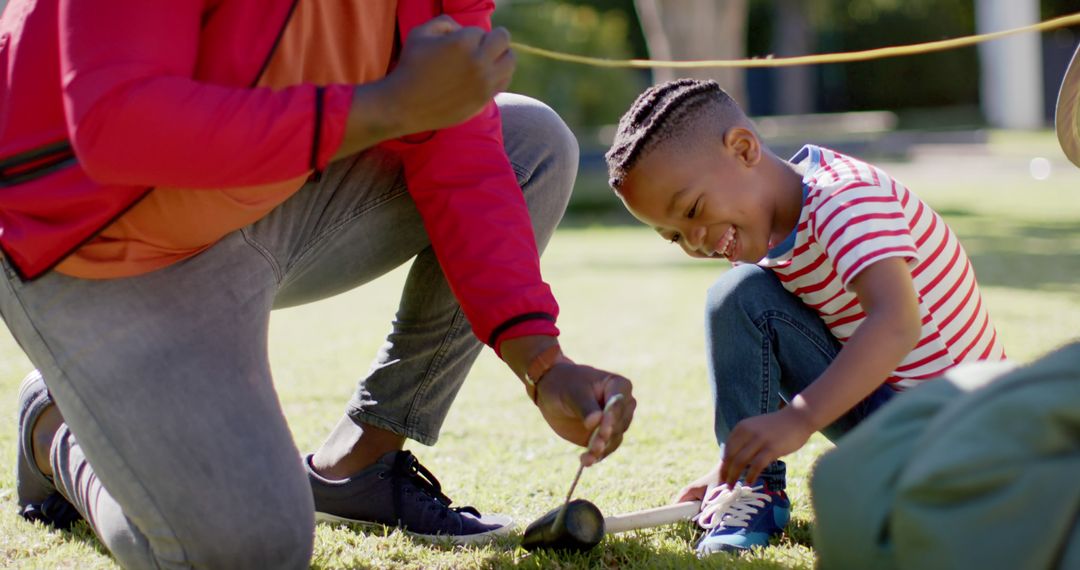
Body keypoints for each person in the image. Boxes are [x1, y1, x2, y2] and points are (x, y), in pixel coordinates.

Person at [1, 1, 636, 568]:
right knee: (246, 552)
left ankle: (360, 466)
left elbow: (460, 149)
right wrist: (391, 105)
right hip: (91, 237)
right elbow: (116, 123)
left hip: (265, 197)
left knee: (529, 142)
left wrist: (541, 361)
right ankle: (57, 431)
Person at [604, 78, 1004, 555]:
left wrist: (799, 419)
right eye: (674, 236)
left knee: (740, 295)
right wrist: (735, 462)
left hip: (962, 428)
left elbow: (896, 321)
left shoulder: (842, 201)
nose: (696, 241)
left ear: (744, 149)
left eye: (693, 210)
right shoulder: (769, 234)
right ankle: (751, 486)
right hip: (896, 419)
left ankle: (916, 492)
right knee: (740, 295)